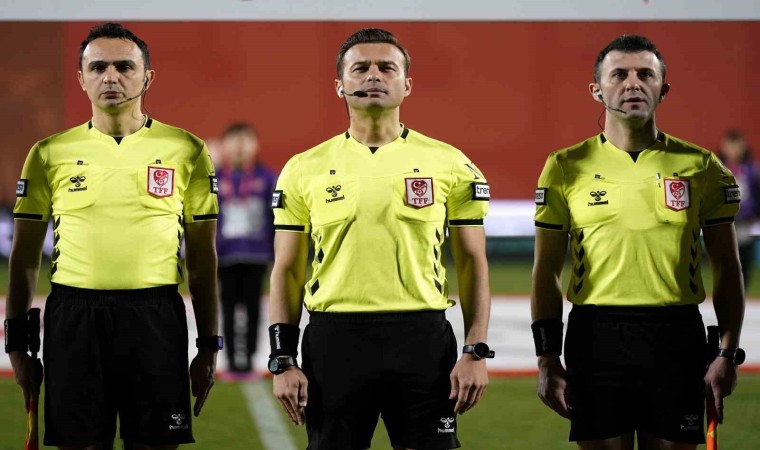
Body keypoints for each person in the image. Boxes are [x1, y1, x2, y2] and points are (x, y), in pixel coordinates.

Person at [268, 28, 493, 450]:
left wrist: (475, 349)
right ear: (340, 85)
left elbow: (472, 262)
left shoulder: (451, 164)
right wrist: (282, 357)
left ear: (407, 85)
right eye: (361, 68)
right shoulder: (303, 168)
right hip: (335, 340)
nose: (374, 75)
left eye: (387, 67)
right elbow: (287, 269)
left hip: (422, 340)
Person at [5, 22, 221, 450]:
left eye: (124, 67)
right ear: (81, 78)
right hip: (74, 320)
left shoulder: (188, 150)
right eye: (98, 67)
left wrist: (209, 347)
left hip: (156, 318)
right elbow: (24, 258)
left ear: (147, 77)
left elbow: (202, 260)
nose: (111, 77)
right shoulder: (47, 153)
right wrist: (16, 344)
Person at [531, 34, 746, 450]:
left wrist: (727, 353)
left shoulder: (702, 167)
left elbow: (727, 266)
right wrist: (547, 357)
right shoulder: (563, 166)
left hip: (676, 337)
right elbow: (546, 271)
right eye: (619, 75)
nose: (633, 83)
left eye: (646, 75)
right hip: (595, 338)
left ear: (663, 89)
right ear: (597, 89)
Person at [216, 123, 276, 380]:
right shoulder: (214, 178)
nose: (240, 147)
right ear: (224, 145)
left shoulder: (267, 178)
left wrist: (276, 253)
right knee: (227, 309)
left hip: (256, 254)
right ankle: (231, 361)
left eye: (246, 141)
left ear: (255, 145)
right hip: (224, 255)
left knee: (253, 308)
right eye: (234, 140)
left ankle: (249, 360)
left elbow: (277, 219)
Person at [718, 129, 760, 289]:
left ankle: (743, 291)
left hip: (746, 222)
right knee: (725, 261)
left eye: (738, 146)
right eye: (731, 146)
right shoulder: (717, 169)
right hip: (724, 222)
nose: (734, 150)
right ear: (724, 147)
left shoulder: (752, 170)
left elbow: (757, 193)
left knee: (745, 260)